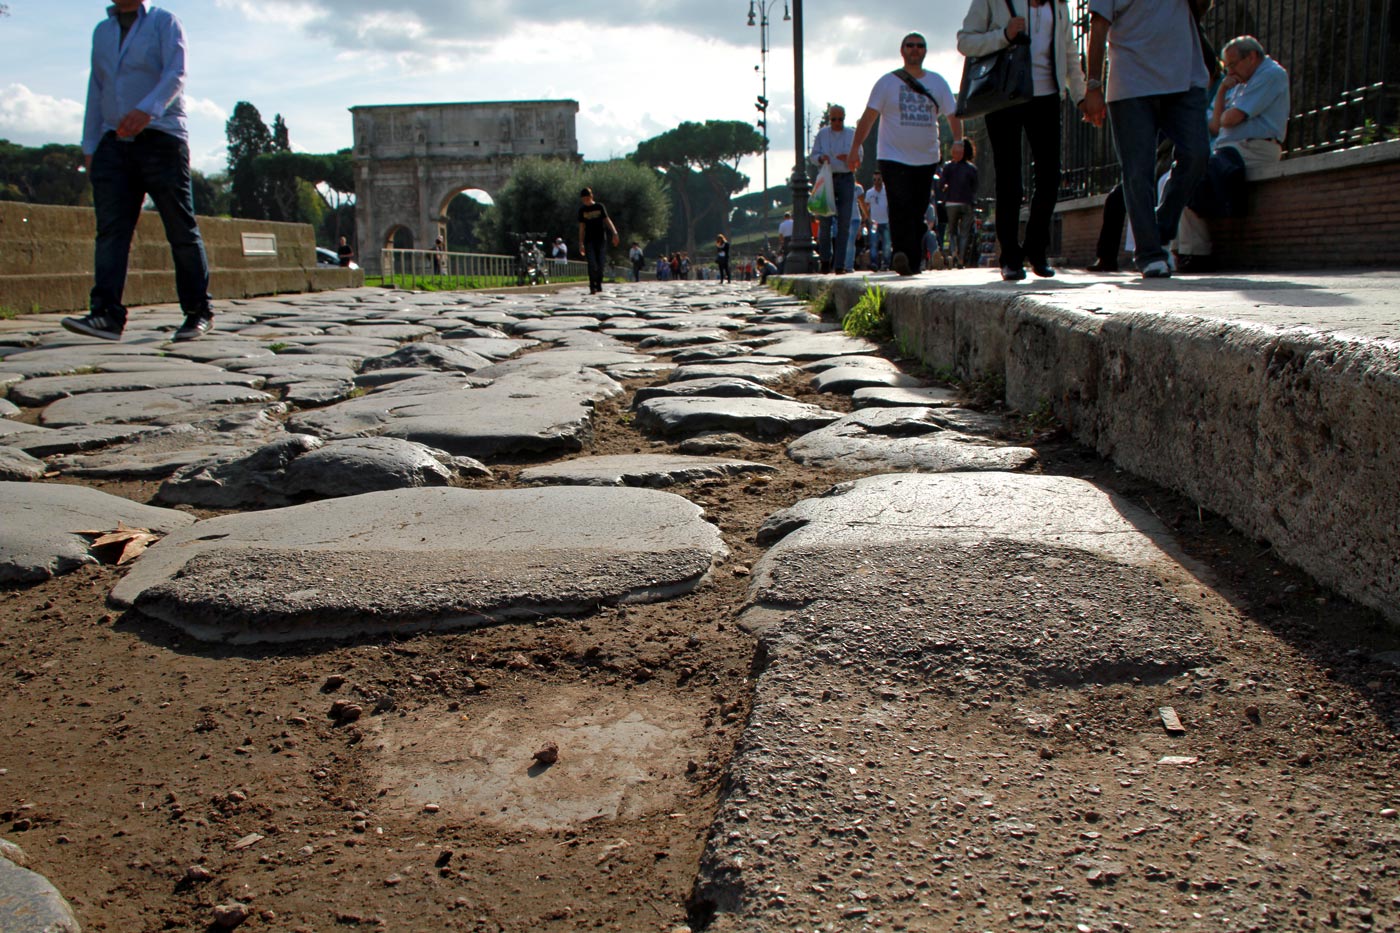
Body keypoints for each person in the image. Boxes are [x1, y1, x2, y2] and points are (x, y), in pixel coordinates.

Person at [64, 0, 214, 342]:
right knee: (111, 231)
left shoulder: (164, 22)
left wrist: (147, 110)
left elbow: (176, 73)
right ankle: (106, 315)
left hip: (161, 137)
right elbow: (96, 88)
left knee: (180, 226)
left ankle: (197, 311)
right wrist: (90, 146)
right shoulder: (102, 32)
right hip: (113, 141)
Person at [1082, 0, 1212, 278]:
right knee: (1138, 171)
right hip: (1132, 83)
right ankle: (1149, 252)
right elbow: (1098, 24)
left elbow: (1199, 9)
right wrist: (1093, 85)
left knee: (1197, 153)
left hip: (1185, 78)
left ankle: (1162, 226)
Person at [959, 0, 1086, 280]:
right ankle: (1011, 258)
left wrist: (1081, 96)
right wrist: (1003, 35)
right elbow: (965, 42)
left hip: (1048, 96)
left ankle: (1036, 249)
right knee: (1009, 180)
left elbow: (1069, 53)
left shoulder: (1059, 5)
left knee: (1050, 176)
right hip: (1006, 96)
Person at [848, 32, 963, 275]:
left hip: (926, 158)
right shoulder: (887, 83)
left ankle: (912, 261)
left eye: (920, 46)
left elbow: (953, 115)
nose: (915, 49)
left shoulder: (938, 82)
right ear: (902, 51)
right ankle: (902, 254)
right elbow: (868, 117)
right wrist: (856, 147)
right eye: (910, 45)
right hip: (893, 156)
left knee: (918, 209)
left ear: (925, 51)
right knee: (900, 204)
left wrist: (958, 141)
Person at [1175, 36, 1289, 271]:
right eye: (1226, 66)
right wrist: (1222, 91)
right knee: (1175, 177)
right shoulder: (1237, 82)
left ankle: (1197, 252)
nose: (1230, 70)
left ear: (1252, 57)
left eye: (1233, 64)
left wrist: (1224, 115)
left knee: (1193, 175)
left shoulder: (1270, 74)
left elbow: (1230, 118)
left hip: (1254, 147)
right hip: (1231, 148)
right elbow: (1216, 126)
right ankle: (1181, 250)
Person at [810, 105, 857, 274]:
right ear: (830, 119)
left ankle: (839, 264)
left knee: (844, 223)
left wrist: (850, 158)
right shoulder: (823, 134)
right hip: (827, 178)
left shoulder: (852, 134)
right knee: (825, 222)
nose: (837, 123)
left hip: (846, 178)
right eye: (834, 119)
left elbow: (860, 157)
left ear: (844, 118)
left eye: (840, 119)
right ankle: (825, 260)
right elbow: (813, 156)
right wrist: (821, 158)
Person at [941, 138, 979, 268]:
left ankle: (953, 253)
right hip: (967, 202)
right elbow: (975, 187)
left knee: (952, 231)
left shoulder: (948, 167)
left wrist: (945, 191)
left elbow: (942, 184)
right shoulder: (972, 169)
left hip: (951, 202)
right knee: (964, 232)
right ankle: (961, 259)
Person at [577, 187, 619, 294]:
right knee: (592, 263)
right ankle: (592, 285)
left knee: (600, 264)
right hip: (588, 240)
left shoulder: (599, 207)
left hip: (601, 239)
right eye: (584, 199)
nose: (586, 201)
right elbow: (582, 228)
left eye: (587, 198)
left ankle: (598, 283)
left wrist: (614, 233)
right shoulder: (582, 210)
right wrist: (581, 243)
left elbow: (607, 220)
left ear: (591, 196)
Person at [864, 171, 890, 269]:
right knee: (873, 244)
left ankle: (886, 263)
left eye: (879, 179)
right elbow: (866, 207)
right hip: (874, 222)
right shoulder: (869, 193)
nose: (876, 182)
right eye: (874, 179)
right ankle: (874, 263)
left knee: (886, 244)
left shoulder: (886, 192)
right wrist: (864, 221)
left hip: (885, 221)